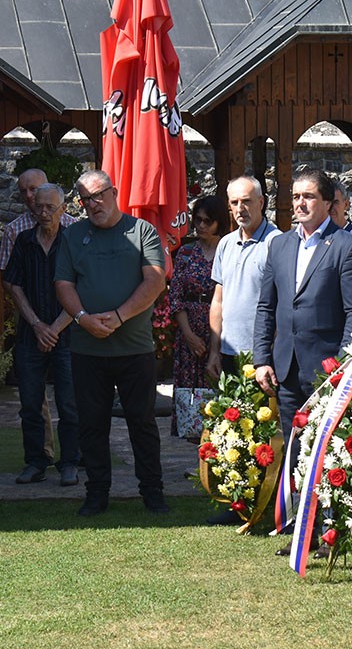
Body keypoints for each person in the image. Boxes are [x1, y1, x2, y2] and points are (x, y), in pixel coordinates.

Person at [253, 168, 352, 554]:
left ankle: (332, 532)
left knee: (328, 449)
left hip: (326, 372)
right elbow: (266, 307)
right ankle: (303, 528)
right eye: (295, 196)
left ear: (328, 203)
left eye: (309, 197)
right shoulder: (280, 245)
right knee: (295, 449)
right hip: (284, 368)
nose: (300, 204)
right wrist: (262, 358)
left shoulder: (346, 246)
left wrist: (340, 363)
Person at [55, 169, 168, 516]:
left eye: (98, 195)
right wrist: (82, 319)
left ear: (114, 192)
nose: (93, 204)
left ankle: (152, 492)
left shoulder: (142, 231)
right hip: (87, 348)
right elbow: (63, 285)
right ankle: (96, 493)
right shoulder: (73, 235)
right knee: (91, 424)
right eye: (86, 199)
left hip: (134, 348)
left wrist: (118, 316)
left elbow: (155, 282)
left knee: (142, 422)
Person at [3, 183, 80, 487]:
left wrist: (55, 328)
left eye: (51, 207)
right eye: (39, 207)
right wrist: (36, 324)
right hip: (29, 334)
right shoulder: (24, 241)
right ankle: (36, 461)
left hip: (67, 334)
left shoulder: (73, 241)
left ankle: (70, 462)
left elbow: (82, 287)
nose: (44, 213)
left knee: (69, 402)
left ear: (63, 209)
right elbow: (13, 284)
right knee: (30, 403)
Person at [207, 176, 281, 380]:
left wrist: (270, 353)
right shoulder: (226, 244)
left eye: (246, 201)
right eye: (234, 202)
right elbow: (218, 301)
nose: (240, 208)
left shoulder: (278, 243)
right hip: (228, 352)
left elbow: (285, 302)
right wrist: (214, 350)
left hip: (264, 356)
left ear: (261, 202)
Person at [170, 194, 230, 438]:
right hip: (190, 329)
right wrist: (188, 335)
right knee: (190, 395)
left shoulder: (229, 250)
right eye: (198, 220)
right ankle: (198, 453)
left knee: (218, 392)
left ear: (219, 222)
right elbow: (176, 296)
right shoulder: (185, 253)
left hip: (221, 329)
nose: (201, 226)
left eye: (208, 221)